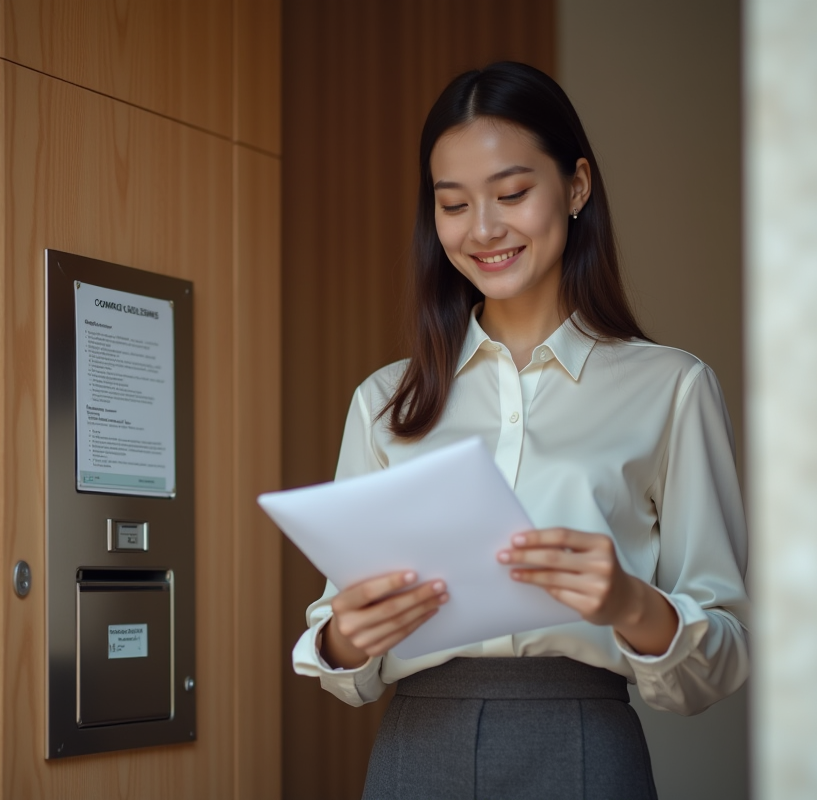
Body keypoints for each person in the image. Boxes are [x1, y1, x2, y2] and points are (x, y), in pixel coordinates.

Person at [292, 61, 749, 799]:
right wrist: (348, 637)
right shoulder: (384, 401)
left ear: (576, 187)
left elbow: (720, 661)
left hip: (585, 745)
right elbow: (338, 647)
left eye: (512, 193)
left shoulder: (672, 389)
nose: (483, 230)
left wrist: (632, 605)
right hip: (416, 748)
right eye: (453, 204)